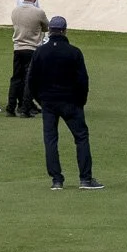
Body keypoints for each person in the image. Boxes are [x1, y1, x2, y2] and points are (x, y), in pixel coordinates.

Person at [29, 16, 101, 189]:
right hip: (71, 102)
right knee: (81, 138)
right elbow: (83, 80)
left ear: (50, 31)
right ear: (64, 30)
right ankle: (85, 179)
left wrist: (41, 100)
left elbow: (31, 80)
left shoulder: (40, 52)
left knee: (50, 140)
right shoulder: (74, 52)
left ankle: (57, 180)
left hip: (49, 103)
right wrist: (81, 101)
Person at [7, 0, 47, 117]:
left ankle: (10, 108)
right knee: (29, 80)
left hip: (18, 48)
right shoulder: (38, 12)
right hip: (32, 49)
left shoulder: (15, 11)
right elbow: (46, 27)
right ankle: (25, 108)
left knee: (16, 78)